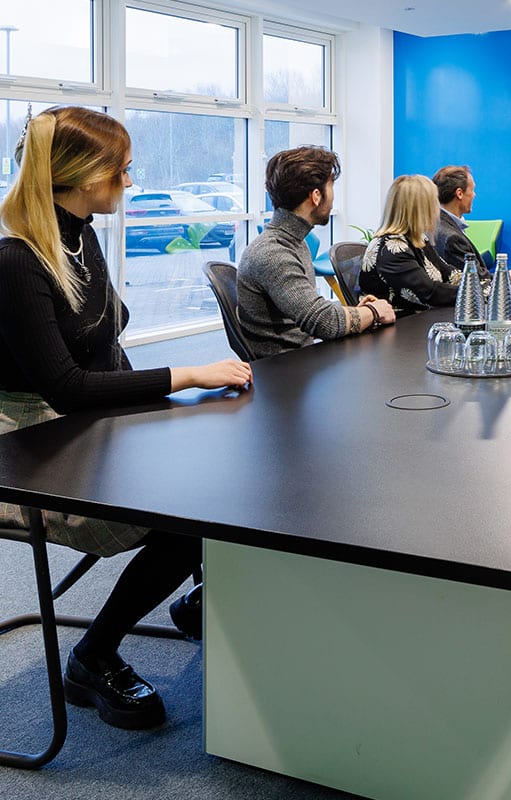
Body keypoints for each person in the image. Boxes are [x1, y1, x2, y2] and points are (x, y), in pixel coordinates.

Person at [0, 105, 253, 730]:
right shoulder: (17, 262)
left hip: (78, 420)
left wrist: (161, 412)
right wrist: (187, 375)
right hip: (27, 444)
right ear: (87, 177)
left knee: (220, 474)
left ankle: (200, 598)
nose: (131, 182)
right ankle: (93, 657)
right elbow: (64, 385)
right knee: (181, 520)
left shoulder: (79, 234)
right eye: (123, 171)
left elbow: (105, 351)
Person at [237, 146, 395, 358]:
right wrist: (374, 313)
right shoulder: (272, 253)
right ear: (316, 196)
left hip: (304, 363)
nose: (333, 198)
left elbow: (312, 310)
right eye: (331, 187)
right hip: (286, 374)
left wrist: (357, 312)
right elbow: (323, 322)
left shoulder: (294, 242)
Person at [359, 174, 471, 311]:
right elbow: (430, 293)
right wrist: (473, 293)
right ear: (421, 209)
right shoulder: (392, 248)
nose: (438, 210)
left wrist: (484, 285)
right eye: (434, 202)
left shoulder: (417, 239)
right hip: (400, 327)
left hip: (418, 321)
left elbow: (449, 274)